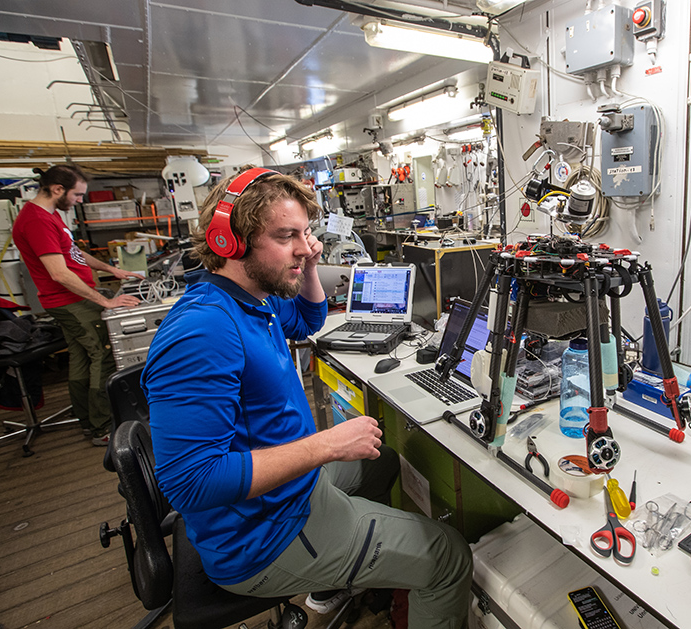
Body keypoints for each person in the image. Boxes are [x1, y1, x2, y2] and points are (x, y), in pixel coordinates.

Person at [141, 168, 472, 627]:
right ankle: (340, 563)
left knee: (381, 462)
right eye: (285, 236)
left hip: (287, 494)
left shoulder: (252, 297)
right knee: (448, 558)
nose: (304, 246)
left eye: (305, 234)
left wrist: (307, 266)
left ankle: (332, 584)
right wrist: (326, 445)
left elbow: (307, 319)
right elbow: (191, 482)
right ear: (228, 242)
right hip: (264, 537)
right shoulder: (203, 330)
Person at [12, 164, 143, 445]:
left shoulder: (51, 215)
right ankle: (102, 426)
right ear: (57, 189)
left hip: (73, 298)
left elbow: (75, 254)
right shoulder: (36, 221)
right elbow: (59, 273)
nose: (80, 201)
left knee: (82, 357)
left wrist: (114, 271)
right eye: (78, 195)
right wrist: (106, 301)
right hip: (68, 301)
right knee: (103, 354)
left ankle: (86, 419)